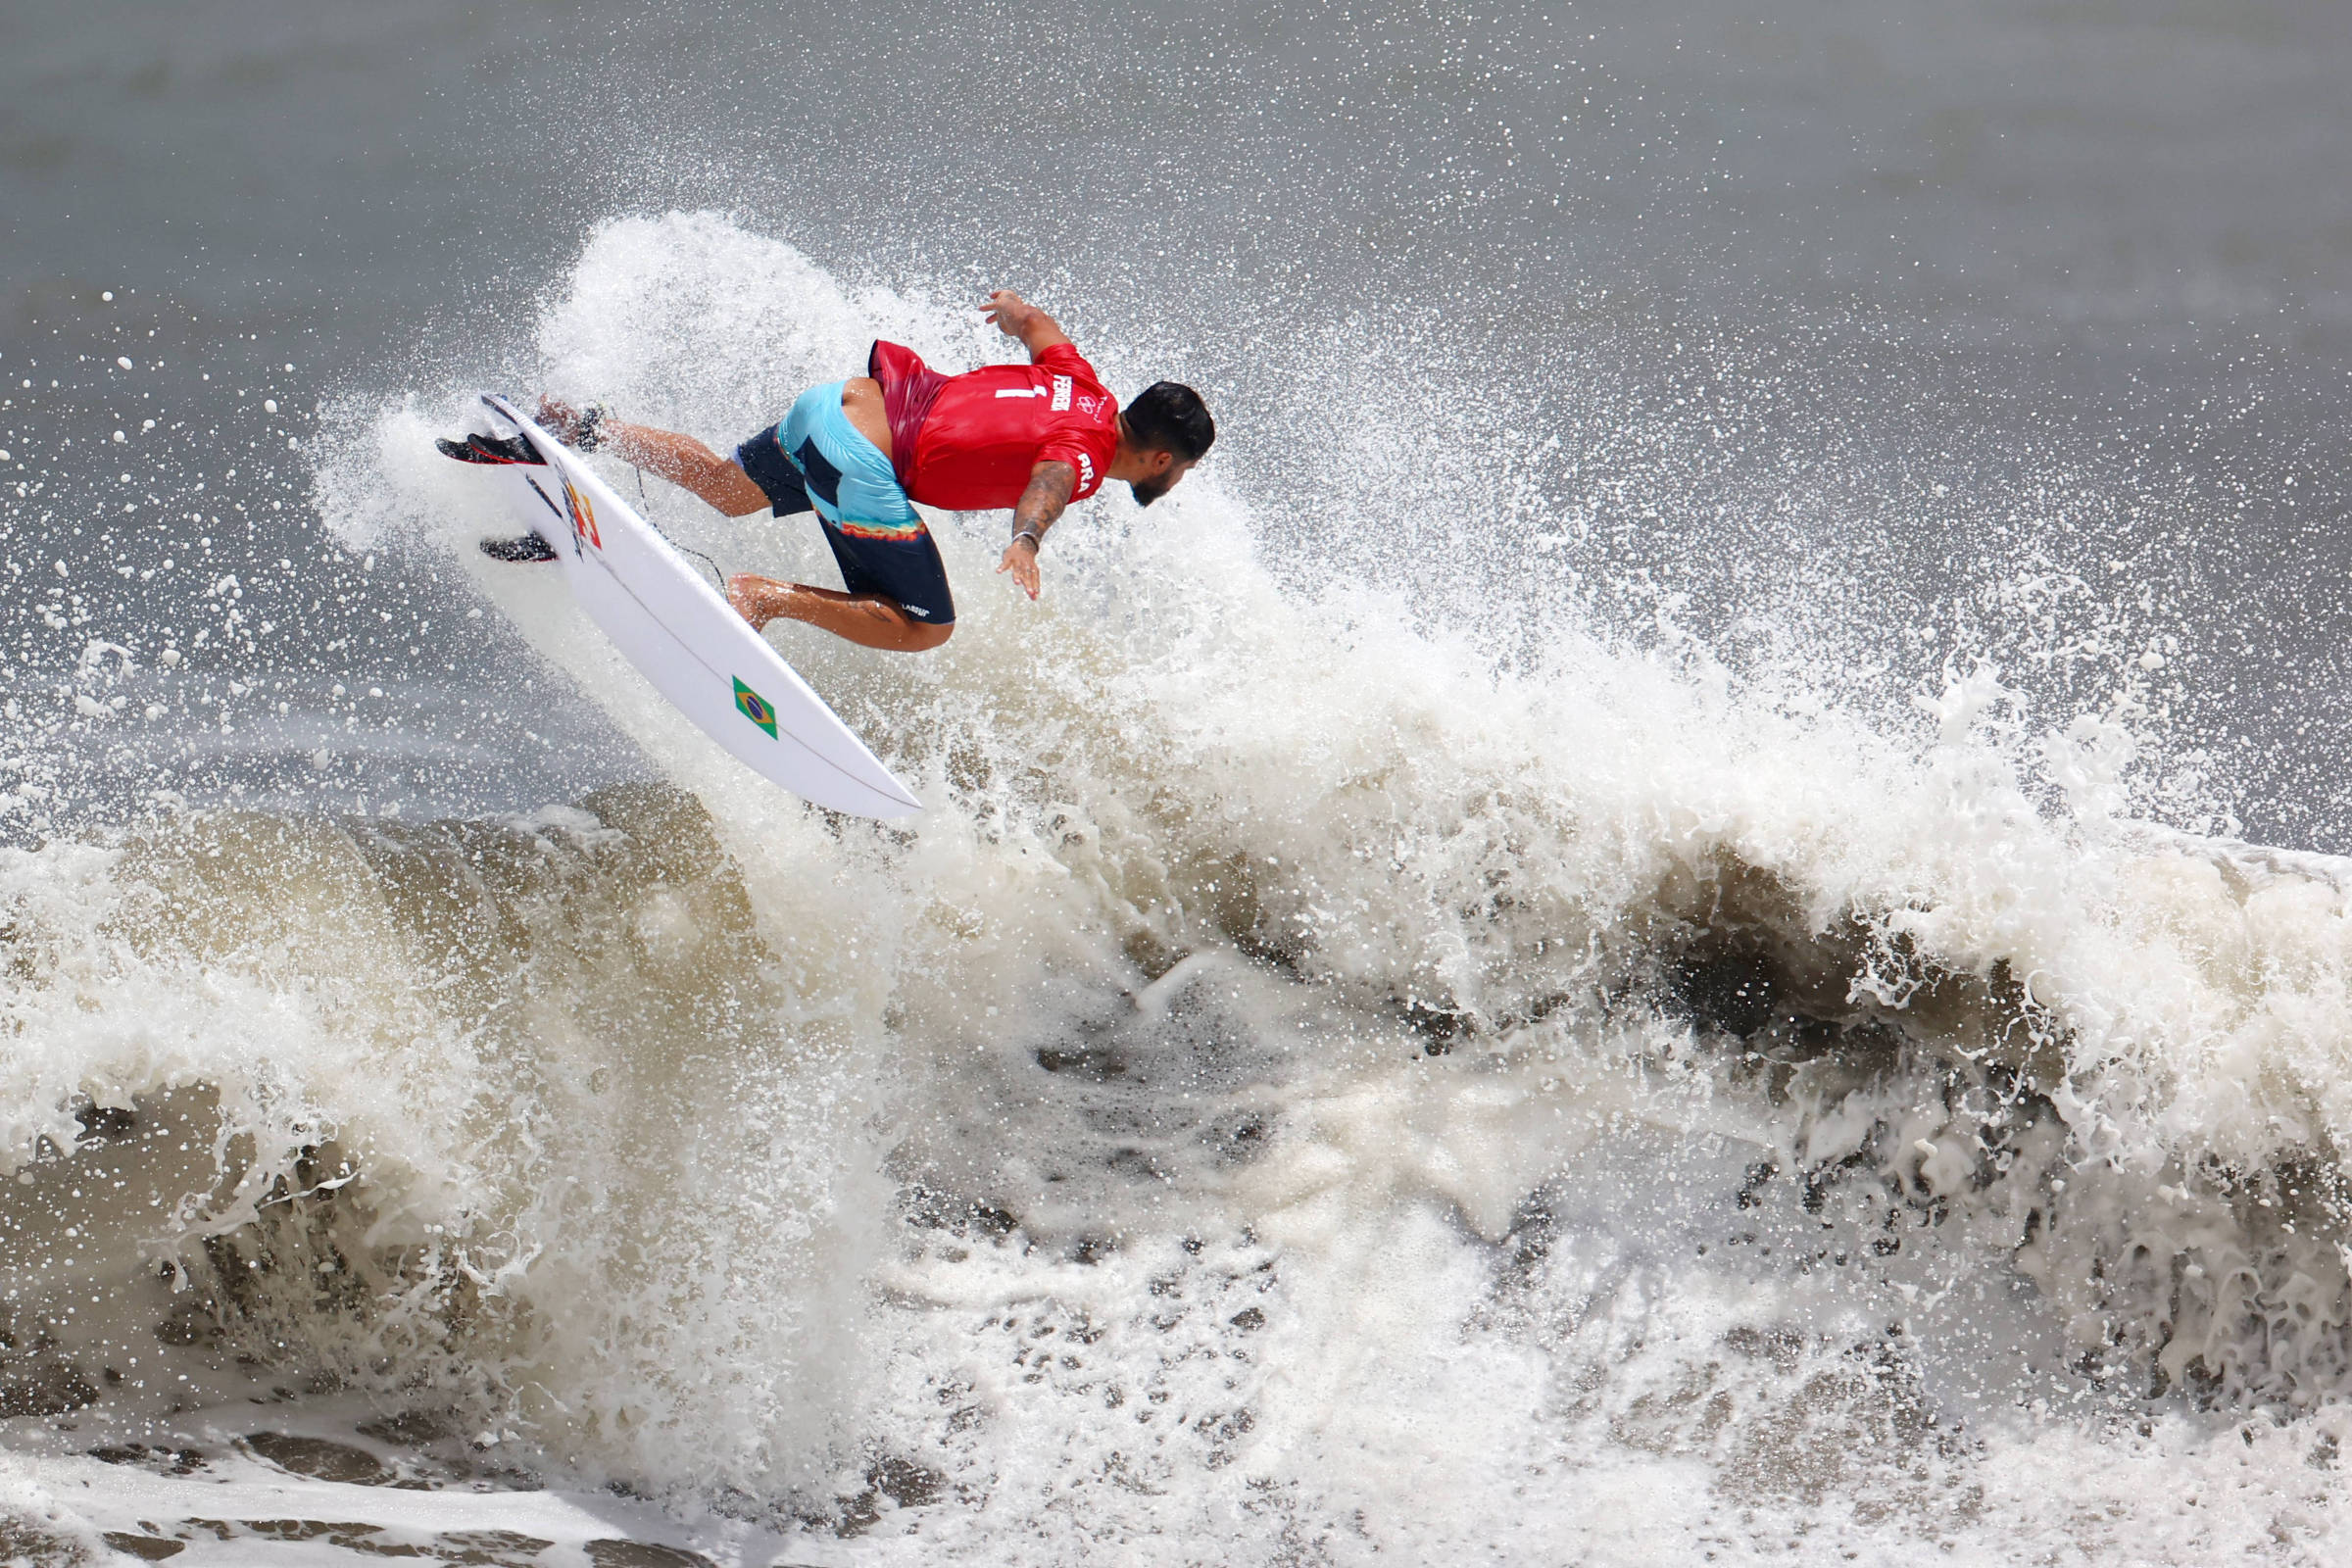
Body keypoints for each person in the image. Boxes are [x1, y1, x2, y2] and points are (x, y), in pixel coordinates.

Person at [479, 291, 1214, 654]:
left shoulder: (1081, 382)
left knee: (726, 490)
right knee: (928, 627)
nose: (1173, 483)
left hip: (834, 406)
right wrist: (1025, 539)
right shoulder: (1087, 457)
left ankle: (587, 428)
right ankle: (761, 597)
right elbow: (1050, 483)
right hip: (860, 457)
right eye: (1178, 471)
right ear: (1159, 459)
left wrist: (1016, 311)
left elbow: (1040, 329)